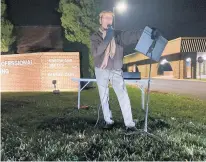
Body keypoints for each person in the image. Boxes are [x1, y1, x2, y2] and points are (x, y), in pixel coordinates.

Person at [90, 11, 140, 132]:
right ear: (100, 20)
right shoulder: (95, 36)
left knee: (123, 96)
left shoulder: (118, 35)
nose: (108, 20)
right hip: (101, 70)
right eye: (106, 18)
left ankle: (129, 124)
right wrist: (108, 37)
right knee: (104, 96)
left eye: (111, 18)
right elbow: (96, 52)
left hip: (116, 69)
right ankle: (108, 121)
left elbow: (131, 35)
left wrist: (144, 33)